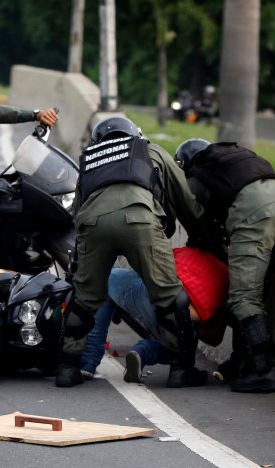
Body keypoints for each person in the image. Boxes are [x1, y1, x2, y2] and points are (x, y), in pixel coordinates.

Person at [55, 116, 218, 389]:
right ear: (135, 134)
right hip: (141, 221)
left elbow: (77, 212)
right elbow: (187, 202)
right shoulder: (150, 150)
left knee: (84, 299)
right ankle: (181, 370)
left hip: (93, 222)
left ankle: (68, 369)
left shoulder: (90, 159)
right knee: (169, 297)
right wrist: (205, 239)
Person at [174, 138, 275, 393]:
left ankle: (266, 371)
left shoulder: (197, 176)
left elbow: (200, 228)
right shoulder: (235, 157)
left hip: (256, 217)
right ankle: (242, 362)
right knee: (256, 294)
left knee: (243, 298)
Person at [80, 246, 230, 384]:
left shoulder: (185, 252)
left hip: (151, 294)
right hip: (181, 316)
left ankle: (88, 362)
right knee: (177, 343)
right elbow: (214, 339)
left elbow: (149, 268)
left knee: (108, 278)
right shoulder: (227, 278)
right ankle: (143, 351)